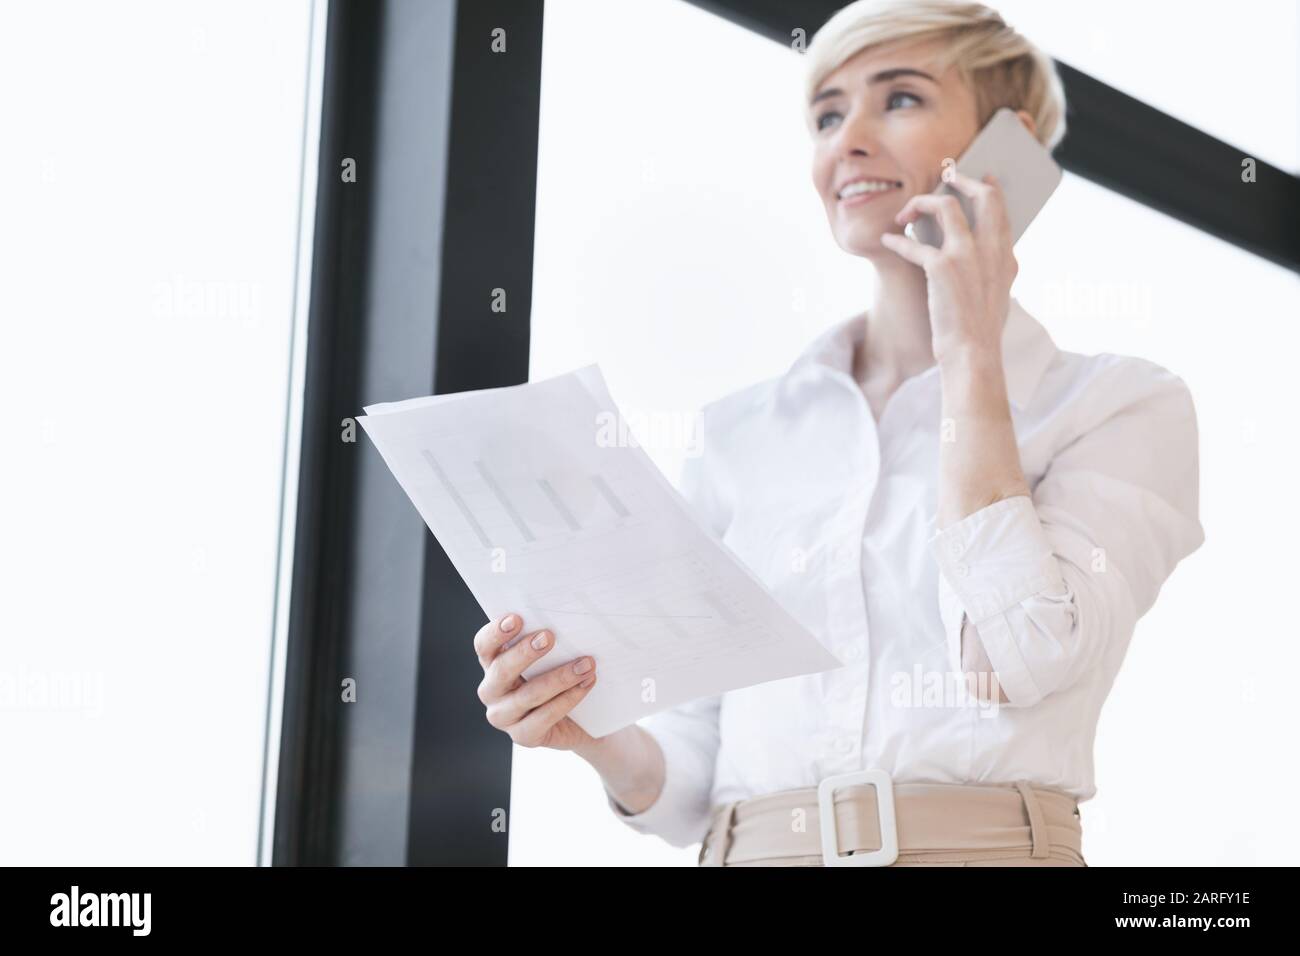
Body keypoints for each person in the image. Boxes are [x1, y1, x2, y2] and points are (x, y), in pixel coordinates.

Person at [470, 0, 1205, 866]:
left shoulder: (1117, 404)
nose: (847, 139)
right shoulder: (740, 434)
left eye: (898, 99)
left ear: (1011, 147)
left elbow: (1016, 662)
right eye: (827, 113)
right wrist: (588, 728)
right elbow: (693, 784)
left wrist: (970, 348)